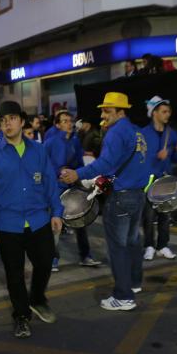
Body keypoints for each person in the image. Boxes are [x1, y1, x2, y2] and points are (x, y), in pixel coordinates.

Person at [0, 100, 63, 338]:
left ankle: (37, 299)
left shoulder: (38, 150)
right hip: (7, 225)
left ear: (22, 121)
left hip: (38, 220)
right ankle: (21, 316)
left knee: (45, 262)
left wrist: (57, 212)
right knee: (14, 274)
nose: (7, 124)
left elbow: (50, 182)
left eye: (12, 119)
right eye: (3, 121)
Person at [61, 92, 148, 311]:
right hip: (138, 194)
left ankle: (123, 296)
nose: (103, 114)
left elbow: (105, 163)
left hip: (120, 196)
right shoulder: (137, 131)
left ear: (121, 112)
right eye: (102, 110)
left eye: (108, 111)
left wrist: (77, 174)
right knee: (132, 241)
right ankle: (134, 283)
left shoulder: (116, 133)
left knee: (118, 247)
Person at [44, 111, 101, 272]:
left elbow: (78, 163)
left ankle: (85, 256)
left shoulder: (75, 141)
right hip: (56, 187)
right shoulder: (50, 142)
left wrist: (77, 174)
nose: (69, 124)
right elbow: (43, 165)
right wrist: (58, 172)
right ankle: (52, 259)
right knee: (56, 224)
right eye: (64, 121)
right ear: (57, 124)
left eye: (70, 121)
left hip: (72, 186)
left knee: (80, 220)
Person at [141, 96, 177, 261]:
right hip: (149, 181)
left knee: (165, 215)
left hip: (165, 180)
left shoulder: (171, 134)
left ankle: (163, 245)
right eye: (164, 111)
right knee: (149, 216)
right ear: (154, 113)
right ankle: (149, 246)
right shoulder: (143, 133)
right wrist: (156, 156)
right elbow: (139, 159)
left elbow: (175, 160)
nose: (168, 115)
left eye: (169, 111)